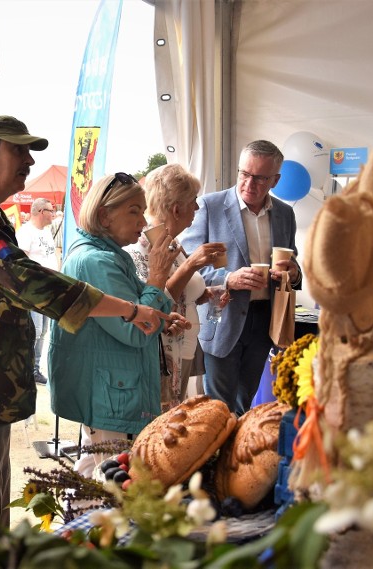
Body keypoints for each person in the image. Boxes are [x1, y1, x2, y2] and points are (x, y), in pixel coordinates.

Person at [0, 115, 170, 526]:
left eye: (30, 152)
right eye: (18, 150)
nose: (29, 162)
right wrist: (129, 308)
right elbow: (29, 281)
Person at [48, 172, 189, 478]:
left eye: (143, 210)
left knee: (92, 475)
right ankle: (88, 525)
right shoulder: (96, 261)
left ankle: (75, 524)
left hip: (111, 388)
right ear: (104, 215)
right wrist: (157, 276)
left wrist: (162, 318)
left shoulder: (110, 257)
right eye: (134, 211)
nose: (143, 221)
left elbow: (136, 306)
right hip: (111, 391)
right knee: (114, 482)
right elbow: (136, 329)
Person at [180, 140, 302, 415]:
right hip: (222, 315)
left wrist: (293, 272)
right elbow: (187, 267)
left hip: (264, 320)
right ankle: (217, 456)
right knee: (218, 408)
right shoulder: (208, 207)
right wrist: (228, 279)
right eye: (244, 174)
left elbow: (293, 264)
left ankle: (238, 456)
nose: (249, 183)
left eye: (260, 177)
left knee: (244, 405)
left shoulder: (285, 214)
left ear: (275, 180)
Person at [126, 164, 227, 411]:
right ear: (176, 208)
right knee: (159, 425)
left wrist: (207, 295)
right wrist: (192, 264)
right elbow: (153, 299)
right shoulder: (143, 245)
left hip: (182, 351)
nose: (197, 207)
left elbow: (181, 293)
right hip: (161, 355)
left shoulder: (172, 242)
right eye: (193, 200)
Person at [15, 197, 58, 384]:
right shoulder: (26, 232)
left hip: (48, 289)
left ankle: (34, 369)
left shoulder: (46, 232)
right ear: (41, 212)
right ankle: (27, 369)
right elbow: (21, 263)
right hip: (34, 291)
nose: (53, 214)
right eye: (51, 210)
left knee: (42, 332)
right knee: (35, 330)